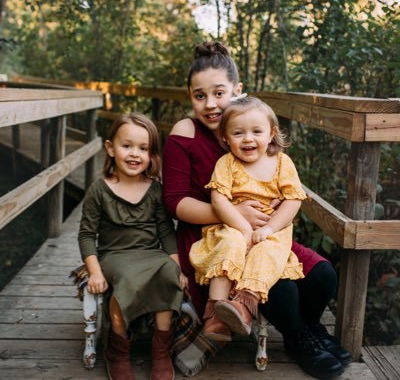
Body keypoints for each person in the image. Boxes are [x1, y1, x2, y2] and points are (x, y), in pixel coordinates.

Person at [162, 41, 351, 379]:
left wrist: (269, 215)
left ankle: (309, 330)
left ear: (237, 90)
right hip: (217, 234)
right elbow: (175, 203)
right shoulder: (186, 133)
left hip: (267, 231)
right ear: (189, 96)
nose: (210, 104)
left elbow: (287, 189)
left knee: (323, 274)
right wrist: (236, 214)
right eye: (199, 96)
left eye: (219, 93)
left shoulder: (257, 134)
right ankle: (298, 339)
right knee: (281, 287)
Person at [78, 114, 187, 380]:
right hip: (115, 256)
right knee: (126, 279)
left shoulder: (154, 189)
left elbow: (165, 230)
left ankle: (161, 350)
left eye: (143, 148)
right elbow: (87, 234)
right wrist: (94, 272)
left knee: (168, 274)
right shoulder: (99, 190)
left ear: (151, 155)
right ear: (110, 148)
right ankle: (118, 349)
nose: (135, 154)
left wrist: (176, 264)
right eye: (127, 146)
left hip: (151, 253)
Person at [189, 95, 307, 340]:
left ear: (271, 132)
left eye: (256, 131)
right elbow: (219, 198)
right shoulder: (227, 163)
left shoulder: (282, 162)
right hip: (232, 224)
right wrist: (243, 228)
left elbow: (293, 199)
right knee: (229, 244)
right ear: (226, 137)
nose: (248, 138)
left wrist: (270, 228)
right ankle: (215, 314)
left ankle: (244, 307)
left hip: (272, 229)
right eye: (238, 133)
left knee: (266, 251)